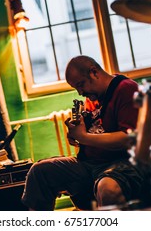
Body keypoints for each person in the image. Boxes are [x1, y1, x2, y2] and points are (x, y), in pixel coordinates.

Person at [21, 55, 144, 210]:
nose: (80, 92)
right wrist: (75, 136)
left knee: (108, 188)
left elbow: (129, 139)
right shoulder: (92, 98)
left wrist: (84, 137)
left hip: (123, 164)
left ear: (94, 72)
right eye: (76, 88)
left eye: (81, 85)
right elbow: (92, 134)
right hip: (90, 165)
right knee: (39, 172)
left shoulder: (126, 89)